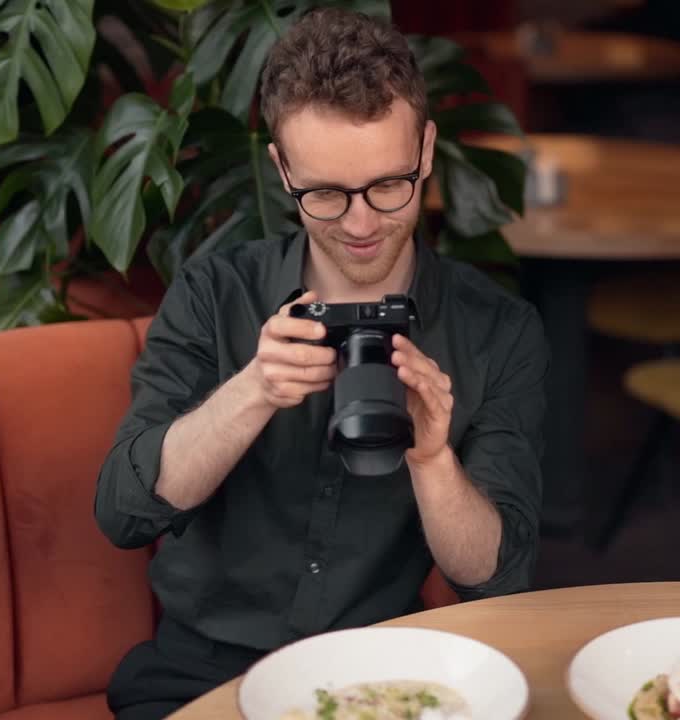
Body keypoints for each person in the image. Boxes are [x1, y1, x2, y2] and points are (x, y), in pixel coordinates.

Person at [94, 8, 549, 719]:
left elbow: (497, 578)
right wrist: (253, 390)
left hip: (376, 678)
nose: (362, 224)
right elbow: (122, 514)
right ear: (281, 169)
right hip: (201, 673)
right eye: (327, 195)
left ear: (426, 150)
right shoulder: (216, 295)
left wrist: (433, 461)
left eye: (388, 186)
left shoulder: (496, 329)